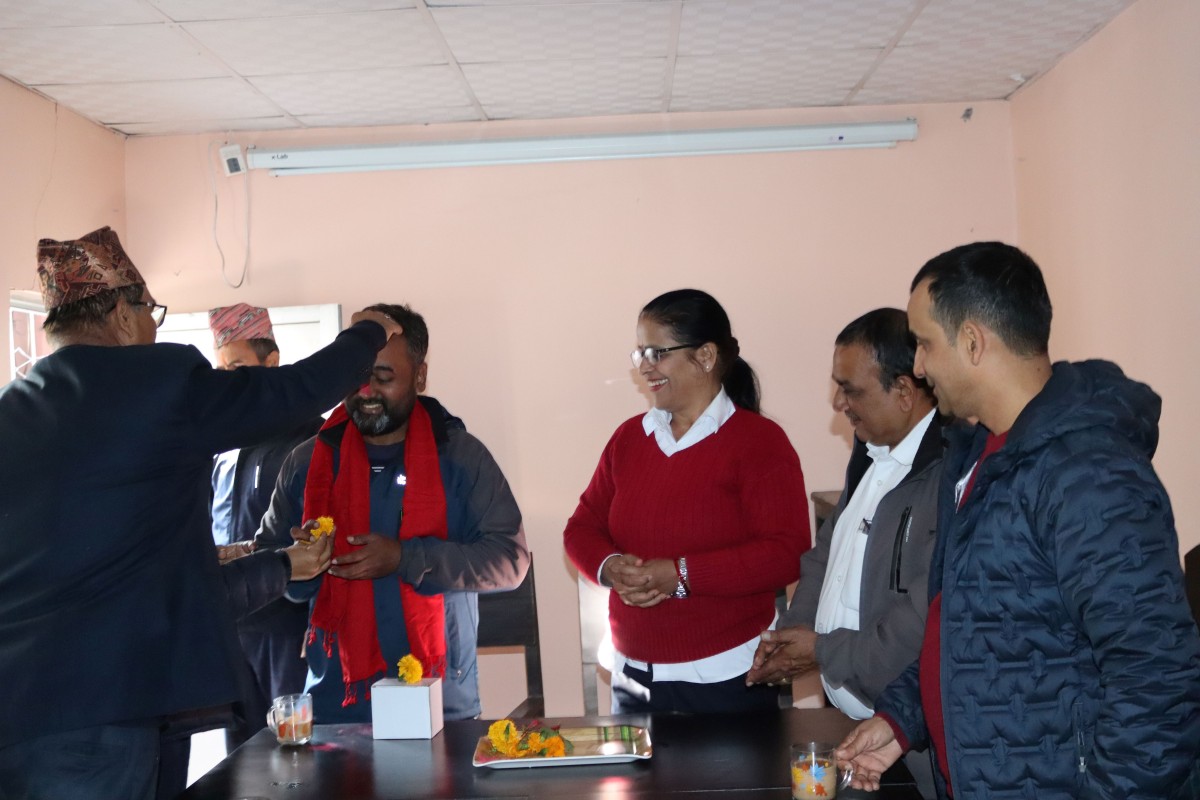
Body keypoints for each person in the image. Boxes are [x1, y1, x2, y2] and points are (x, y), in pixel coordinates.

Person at [0, 226, 400, 800]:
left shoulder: (14, 411)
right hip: (100, 716)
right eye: (151, 312)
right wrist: (369, 331)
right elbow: (292, 391)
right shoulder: (154, 386)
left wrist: (283, 564)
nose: (152, 328)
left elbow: (146, 572)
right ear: (122, 314)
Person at [837, 242, 1200, 799]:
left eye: (925, 344)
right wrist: (901, 719)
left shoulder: (1090, 473)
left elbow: (1156, 679)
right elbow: (975, 629)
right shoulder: (975, 454)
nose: (918, 366)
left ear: (972, 342)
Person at [255, 303, 528, 723]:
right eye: (355, 377)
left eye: (383, 378)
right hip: (335, 704)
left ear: (420, 376)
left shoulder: (461, 457)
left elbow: (510, 561)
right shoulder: (308, 463)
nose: (366, 392)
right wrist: (297, 564)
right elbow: (267, 568)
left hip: (440, 701)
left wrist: (406, 558)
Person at [564, 288, 811, 714]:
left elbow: (786, 553)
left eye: (657, 353)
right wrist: (610, 567)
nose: (644, 367)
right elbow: (582, 527)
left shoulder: (759, 442)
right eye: (639, 353)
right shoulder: (629, 439)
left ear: (706, 356)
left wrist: (681, 575)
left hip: (726, 677)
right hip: (633, 674)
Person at [747, 308, 941, 796]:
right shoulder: (871, 450)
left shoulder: (946, 474)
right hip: (851, 722)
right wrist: (794, 634)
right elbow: (827, 554)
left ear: (904, 391)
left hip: (910, 742)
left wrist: (820, 650)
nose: (838, 403)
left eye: (850, 390)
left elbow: (917, 623)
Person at [207, 303, 323, 749]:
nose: (227, 380)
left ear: (271, 362)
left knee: (294, 752)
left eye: (237, 367)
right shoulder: (219, 440)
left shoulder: (308, 438)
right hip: (230, 624)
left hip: (287, 626)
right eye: (221, 369)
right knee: (238, 760)